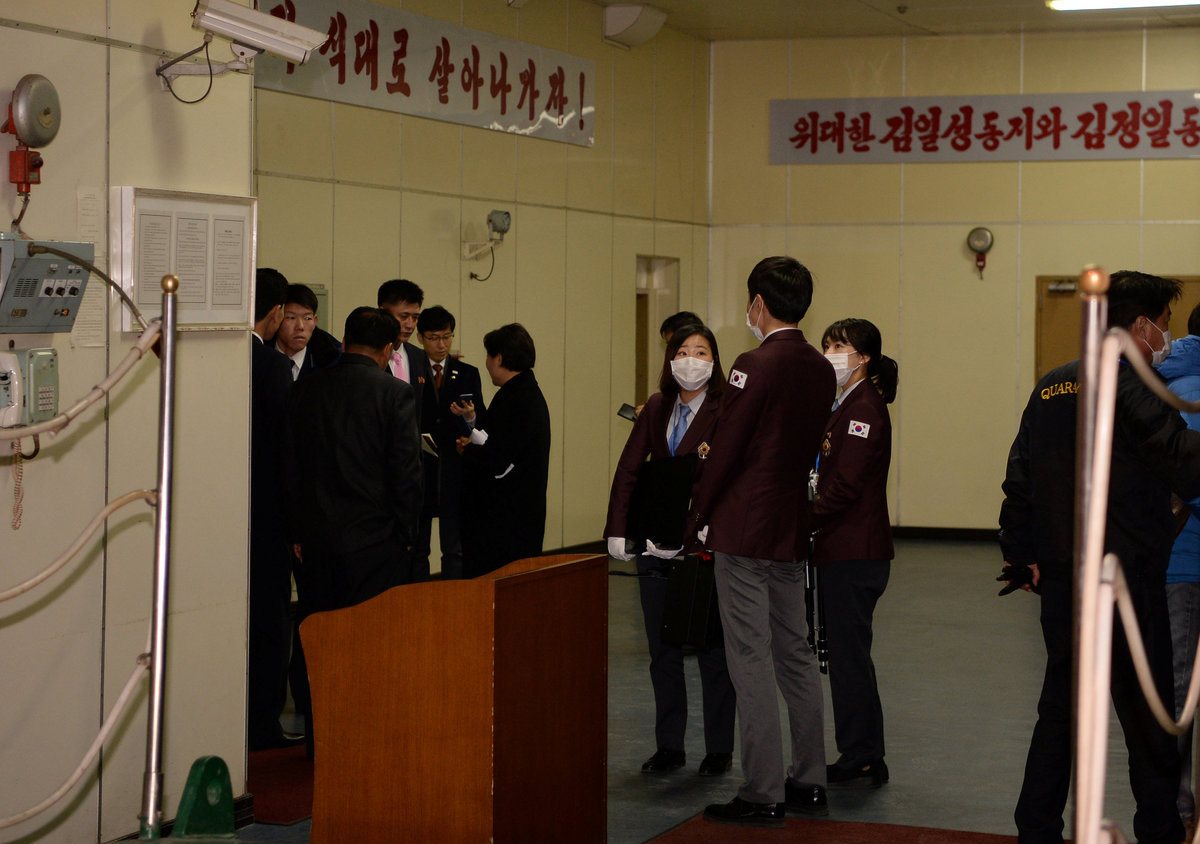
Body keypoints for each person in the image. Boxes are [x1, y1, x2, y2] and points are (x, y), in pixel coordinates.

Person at [1000, 271, 1200, 844]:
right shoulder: (1131, 384)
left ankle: (1036, 826)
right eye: (1163, 324)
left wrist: (1022, 555)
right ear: (1140, 326)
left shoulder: (1052, 384)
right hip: (1127, 579)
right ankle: (1159, 829)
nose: (1165, 337)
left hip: (1065, 579)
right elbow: (1183, 462)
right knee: (1146, 716)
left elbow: (1019, 478)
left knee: (1061, 709)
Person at [685, 256, 836, 828]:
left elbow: (728, 448)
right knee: (794, 652)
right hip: (789, 527)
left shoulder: (754, 363)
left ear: (758, 303)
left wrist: (698, 514)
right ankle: (810, 779)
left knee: (748, 656)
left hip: (744, 527)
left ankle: (762, 789)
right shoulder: (820, 367)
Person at [605, 325, 737, 778]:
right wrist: (618, 529)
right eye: (682, 351)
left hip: (703, 546)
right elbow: (629, 469)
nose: (690, 359)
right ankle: (669, 746)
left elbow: (731, 476)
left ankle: (719, 748)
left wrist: (703, 528)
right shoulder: (657, 406)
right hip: (656, 544)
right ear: (670, 360)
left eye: (701, 351)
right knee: (662, 650)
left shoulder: (726, 408)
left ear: (714, 361)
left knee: (712, 650)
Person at [284, 307, 423, 612]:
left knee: (319, 628)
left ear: (345, 343)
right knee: (370, 629)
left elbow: (292, 464)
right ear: (387, 349)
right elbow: (405, 472)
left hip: (316, 539)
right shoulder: (396, 393)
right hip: (375, 542)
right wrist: (408, 534)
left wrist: (298, 531)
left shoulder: (305, 389)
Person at [812, 318, 898, 789]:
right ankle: (861, 752)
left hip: (853, 550)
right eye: (827, 344)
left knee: (849, 657)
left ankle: (862, 756)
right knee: (846, 655)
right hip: (840, 547)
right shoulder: (843, 403)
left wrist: (803, 517)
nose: (831, 353)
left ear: (863, 357)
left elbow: (845, 484)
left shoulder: (863, 407)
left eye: (840, 346)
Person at [248, 267, 300, 750]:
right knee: (269, 620)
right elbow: (287, 447)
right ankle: (262, 724)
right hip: (267, 513)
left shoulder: (216, 355)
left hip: (223, 509)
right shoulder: (272, 367)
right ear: (277, 312)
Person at [456, 323, 551, 578]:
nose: (486, 363)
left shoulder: (518, 400)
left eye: (488, 356)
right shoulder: (520, 393)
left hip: (503, 522)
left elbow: (499, 461)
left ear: (498, 358)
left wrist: (469, 452)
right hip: (515, 517)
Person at [1155, 300, 1200, 832]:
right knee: (1181, 690)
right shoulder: (1186, 392)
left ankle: (1176, 802)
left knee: (1178, 688)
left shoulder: (1162, 384)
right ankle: (1178, 805)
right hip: (1186, 557)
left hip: (1175, 561)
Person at [416, 305, 485, 580]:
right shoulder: (411, 369)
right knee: (418, 549)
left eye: (447, 337)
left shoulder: (467, 373)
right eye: (434, 338)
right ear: (420, 338)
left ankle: (454, 597)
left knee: (454, 549)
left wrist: (470, 418)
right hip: (419, 470)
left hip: (455, 470)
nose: (442, 344)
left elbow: (480, 423)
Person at [377, 279, 438, 580]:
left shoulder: (417, 356)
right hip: (380, 476)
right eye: (403, 316)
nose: (410, 324)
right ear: (383, 312)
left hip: (414, 474)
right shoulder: (370, 356)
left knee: (418, 554)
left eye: (415, 317)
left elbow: (426, 414)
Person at [275, 283, 340, 380]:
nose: (300, 326)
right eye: (291, 317)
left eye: (307, 318)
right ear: (277, 317)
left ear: (315, 322)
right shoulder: (258, 354)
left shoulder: (331, 359)